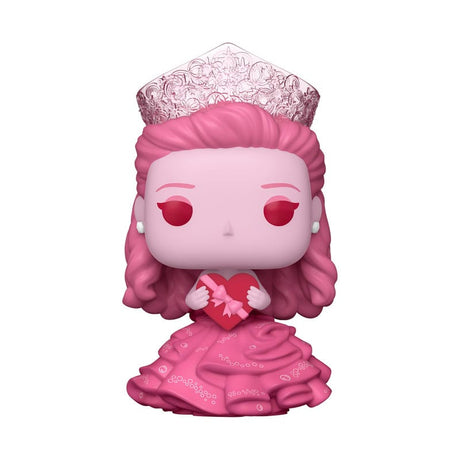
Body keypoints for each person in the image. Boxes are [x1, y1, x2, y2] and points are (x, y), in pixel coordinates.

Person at [123, 100, 337, 416]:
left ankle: (254, 394)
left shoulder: (253, 279)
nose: (227, 229)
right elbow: (196, 297)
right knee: (189, 369)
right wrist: (194, 300)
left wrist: (261, 300)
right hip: (206, 331)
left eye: (277, 210)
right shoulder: (203, 276)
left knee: (260, 370)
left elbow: (261, 299)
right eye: (177, 211)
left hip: (257, 336)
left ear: (313, 214)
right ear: (142, 214)